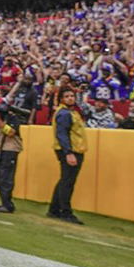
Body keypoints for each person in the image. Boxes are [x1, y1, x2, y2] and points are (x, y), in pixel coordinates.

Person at [48, 88, 86, 225]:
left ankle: (54, 209)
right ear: (62, 99)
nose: (71, 98)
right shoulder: (65, 114)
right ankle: (66, 211)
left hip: (72, 149)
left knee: (64, 180)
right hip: (71, 150)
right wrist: (69, 153)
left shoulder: (70, 112)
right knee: (68, 182)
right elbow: (62, 134)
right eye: (67, 96)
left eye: (72, 96)